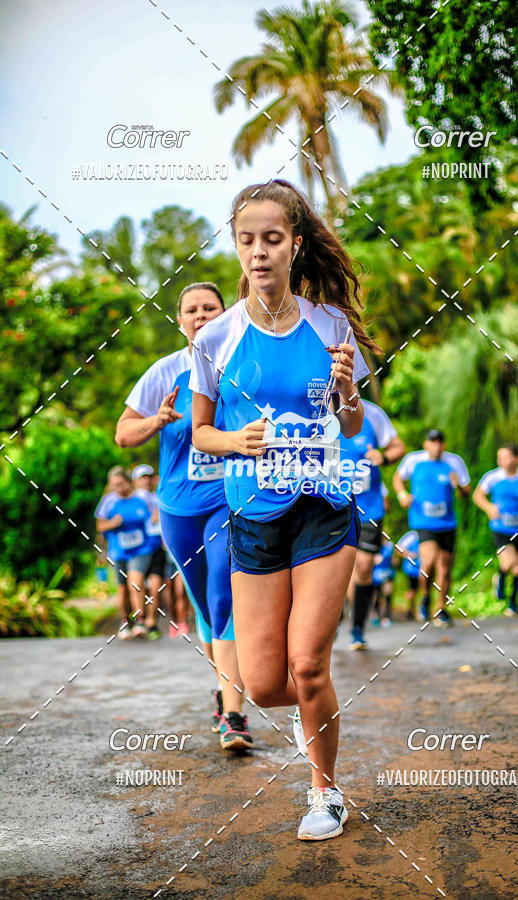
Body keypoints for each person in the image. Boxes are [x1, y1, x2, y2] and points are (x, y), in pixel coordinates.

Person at [189, 179, 375, 841]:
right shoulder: (216, 337)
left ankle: (325, 790)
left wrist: (349, 393)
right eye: (247, 240)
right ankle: (315, 711)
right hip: (255, 517)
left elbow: (351, 427)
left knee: (308, 666)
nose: (259, 252)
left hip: (325, 508)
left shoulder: (329, 325)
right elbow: (200, 432)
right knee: (268, 685)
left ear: (296, 244)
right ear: (236, 247)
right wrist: (233, 441)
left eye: (273, 238)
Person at [115, 282, 252, 751]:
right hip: (177, 510)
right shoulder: (164, 372)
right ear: (179, 320)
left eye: (209, 308)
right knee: (202, 605)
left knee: (222, 595)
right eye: (191, 310)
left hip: (228, 500)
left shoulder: (240, 362)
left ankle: (234, 716)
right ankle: (223, 688)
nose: (200, 315)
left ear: (225, 313)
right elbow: (123, 435)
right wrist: (157, 420)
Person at [339, 400, 404, 650]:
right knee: (339, 569)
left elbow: (398, 446)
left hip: (369, 508)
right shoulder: (317, 405)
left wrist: (384, 456)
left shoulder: (373, 413)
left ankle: (357, 628)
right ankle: (336, 617)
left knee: (364, 567)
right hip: (330, 505)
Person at [393, 429, 470, 626]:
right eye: (432, 442)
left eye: (439, 442)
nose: (436, 446)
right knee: (427, 563)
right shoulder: (413, 460)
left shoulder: (454, 462)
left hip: (447, 523)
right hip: (423, 521)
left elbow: (466, 492)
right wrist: (403, 495)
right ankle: (425, 597)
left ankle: (441, 608)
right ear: (426, 444)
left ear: (443, 445)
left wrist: (458, 486)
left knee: (444, 568)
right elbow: (397, 478)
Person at [473, 444, 518, 616]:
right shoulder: (492, 477)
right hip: (501, 528)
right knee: (508, 562)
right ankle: (501, 580)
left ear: (515, 458)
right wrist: (489, 508)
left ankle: (513, 603)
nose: (500, 460)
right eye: (499, 456)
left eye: (504, 456)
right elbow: (478, 496)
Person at [95, 466, 158, 639]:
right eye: (115, 485)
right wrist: (113, 523)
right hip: (119, 550)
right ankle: (126, 621)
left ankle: (140, 620)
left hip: (142, 548)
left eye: (122, 483)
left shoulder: (141, 498)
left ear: (128, 482)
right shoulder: (108, 501)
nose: (119, 488)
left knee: (135, 581)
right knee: (122, 589)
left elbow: (158, 510)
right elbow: (100, 525)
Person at [131, 464, 166, 639]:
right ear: (135, 481)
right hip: (139, 549)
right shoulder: (133, 499)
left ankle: (152, 623)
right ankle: (140, 620)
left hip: (157, 546)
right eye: (142, 477)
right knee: (137, 586)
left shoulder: (159, 496)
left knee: (155, 587)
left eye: (149, 476)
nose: (146, 480)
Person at [371, 538, 398, 627]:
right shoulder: (373, 544)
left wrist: (393, 562)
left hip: (388, 573)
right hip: (376, 574)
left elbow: (395, 560)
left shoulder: (390, 545)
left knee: (387, 594)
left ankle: (386, 616)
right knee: (377, 595)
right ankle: (376, 615)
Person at [395, 529, 421, 619]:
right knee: (413, 589)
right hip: (412, 569)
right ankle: (410, 609)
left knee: (419, 589)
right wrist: (410, 554)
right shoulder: (412, 535)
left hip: (422, 568)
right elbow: (398, 548)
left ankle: (416, 609)